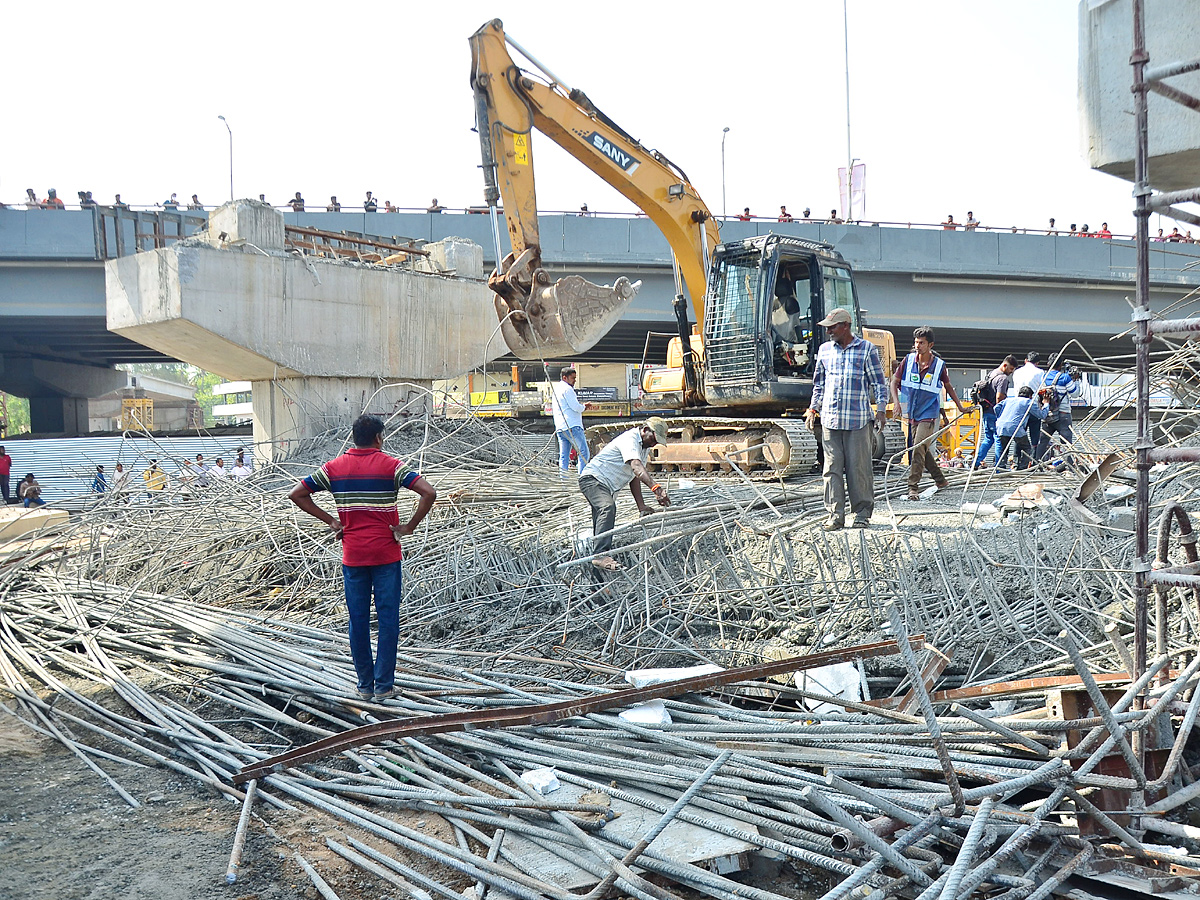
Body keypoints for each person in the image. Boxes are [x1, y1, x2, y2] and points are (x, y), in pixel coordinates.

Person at [288, 414, 437, 701]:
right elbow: (428, 492)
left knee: (358, 621)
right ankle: (384, 686)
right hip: (386, 553)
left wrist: (331, 521)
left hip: (353, 555)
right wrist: (409, 527)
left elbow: (297, 494)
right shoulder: (392, 466)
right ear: (379, 437)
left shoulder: (334, 468)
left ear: (354, 438)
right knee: (388, 619)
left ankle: (364, 686)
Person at [805, 308, 887, 531]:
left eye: (832, 327)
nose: (829, 331)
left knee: (858, 469)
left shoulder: (866, 349)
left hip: (858, 421)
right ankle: (835, 515)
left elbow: (879, 383)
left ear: (845, 326)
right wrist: (813, 409)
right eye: (828, 327)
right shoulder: (824, 351)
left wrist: (881, 411)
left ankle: (861, 513)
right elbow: (819, 384)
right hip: (830, 420)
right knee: (831, 469)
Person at [889, 326, 970, 500]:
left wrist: (960, 407)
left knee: (918, 447)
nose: (917, 346)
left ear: (930, 344)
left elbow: (948, 387)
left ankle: (913, 487)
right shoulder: (908, 361)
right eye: (916, 342)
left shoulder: (939, 365)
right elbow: (894, 382)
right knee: (922, 450)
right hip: (911, 413)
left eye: (921, 343)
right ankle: (940, 480)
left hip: (929, 413)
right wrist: (896, 403)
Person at [578, 418, 670, 570]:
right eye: (654, 439)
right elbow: (636, 467)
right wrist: (657, 489)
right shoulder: (630, 439)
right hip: (593, 480)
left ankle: (597, 586)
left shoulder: (643, 447)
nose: (654, 444)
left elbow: (634, 477)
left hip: (604, 486)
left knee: (601, 533)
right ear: (645, 430)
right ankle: (601, 555)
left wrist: (641, 506)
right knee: (607, 508)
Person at [973, 355, 1019, 469]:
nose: (1011, 372)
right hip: (995, 412)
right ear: (1005, 365)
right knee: (998, 439)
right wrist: (1002, 412)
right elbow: (999, 397)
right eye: (1011, 369)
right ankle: (999, 467)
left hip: (986, 411)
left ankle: (976, 462)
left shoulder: (991, 374)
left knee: (988, 439)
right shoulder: (1002, 378)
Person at [1036, 355, 1083, 462]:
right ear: (1060, 364)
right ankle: (1069, 467)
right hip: (1063, 414)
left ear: (1048, 364)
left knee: (1043, 441)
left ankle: (1036, 464)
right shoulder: (1064, 377)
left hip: (1048, 413)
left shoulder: (1043, 377)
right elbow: (1075, 394)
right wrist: (1075, 380)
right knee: (1066, 442)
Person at [995, 386, 1046, 470]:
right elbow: (1042, 415)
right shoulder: (1028, 402)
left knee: (1003, 449)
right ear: (1030, 396)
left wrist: (1000, 418)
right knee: (1027, 448)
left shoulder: (1008, 400)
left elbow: (996, 408)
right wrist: (1046, 404)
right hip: (1016, 427)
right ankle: (1022, 468)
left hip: (1001, 426)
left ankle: (1001, 468)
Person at [551, 366, 589, 474]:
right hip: (572, 425)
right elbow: (575, 407)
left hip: (560, 427)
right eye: (573, 378)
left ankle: (564, 481)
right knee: (584, 453)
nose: (575, 381)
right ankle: (582, 477)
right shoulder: (567, 389)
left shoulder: (556, 390)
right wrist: (584, 407)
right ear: (565, 378)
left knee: (564, 456)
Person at [1012, 352, 1046, 454]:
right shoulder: (1040, 372)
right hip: (1033, 405)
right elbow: (1043, 389)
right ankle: (1033, 460)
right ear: (1038, 362)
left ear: (1026, 360)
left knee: (1019, 434)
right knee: (1034, 436)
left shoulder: (1017, 372)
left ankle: (1016, 460)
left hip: (1019, 406)